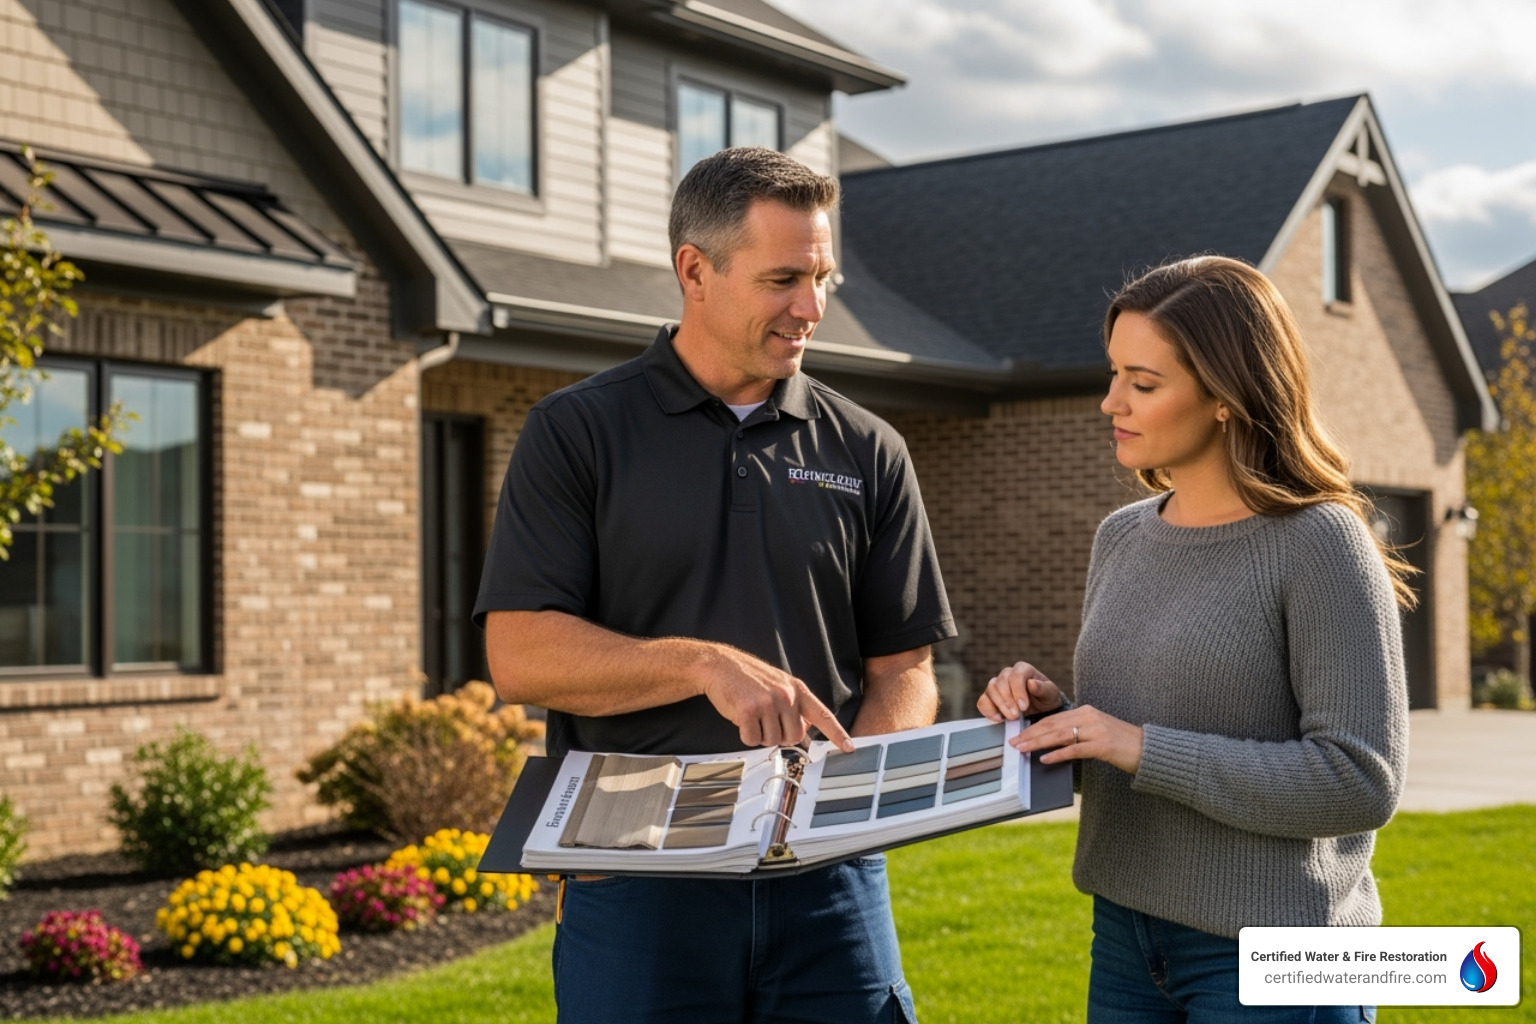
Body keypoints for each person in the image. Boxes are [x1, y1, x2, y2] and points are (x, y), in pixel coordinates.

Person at [474, 147, 955, 1024]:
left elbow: (904, 669)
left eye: (822, 277)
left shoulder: (869, 448)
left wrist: (840, 803)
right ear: (694, 270)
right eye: (782, 279)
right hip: (636, 873)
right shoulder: (577, 432)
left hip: (829, 880)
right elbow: (519, 652)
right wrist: (704, 664)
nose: (811, 308)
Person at [979, 255, 1409, 1023]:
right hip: (1124, 934)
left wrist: (1137, 745)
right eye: (1114, 374)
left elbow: (1360, 780)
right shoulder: (1121, 537)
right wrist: (1060, 721)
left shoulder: (1320, 543)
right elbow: (1139, 732)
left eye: (1144, 384)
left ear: (1224, 397)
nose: (1112, 401)